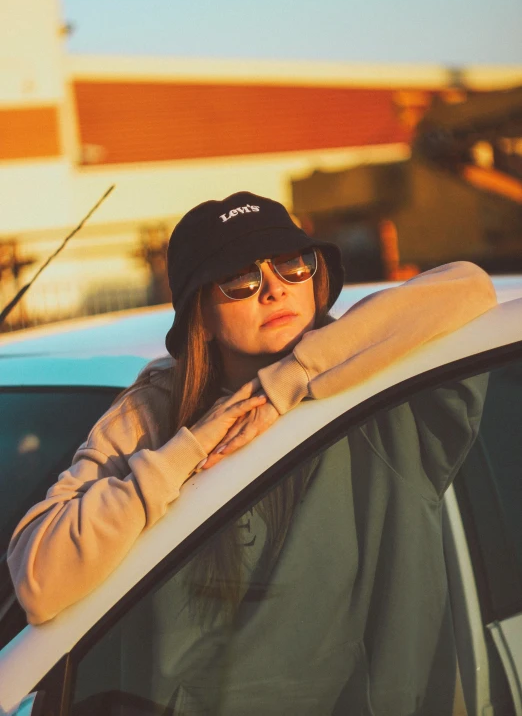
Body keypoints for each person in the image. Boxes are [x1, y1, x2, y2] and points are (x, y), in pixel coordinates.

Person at [8, 192, 496, 714]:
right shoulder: (154, 414)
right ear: (202, 313)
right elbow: (40, 580)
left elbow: (470, 288)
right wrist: (185, 453)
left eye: (291, 265)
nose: (274, 289)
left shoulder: (381, 389)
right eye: (239, 278)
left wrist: (289, 382)